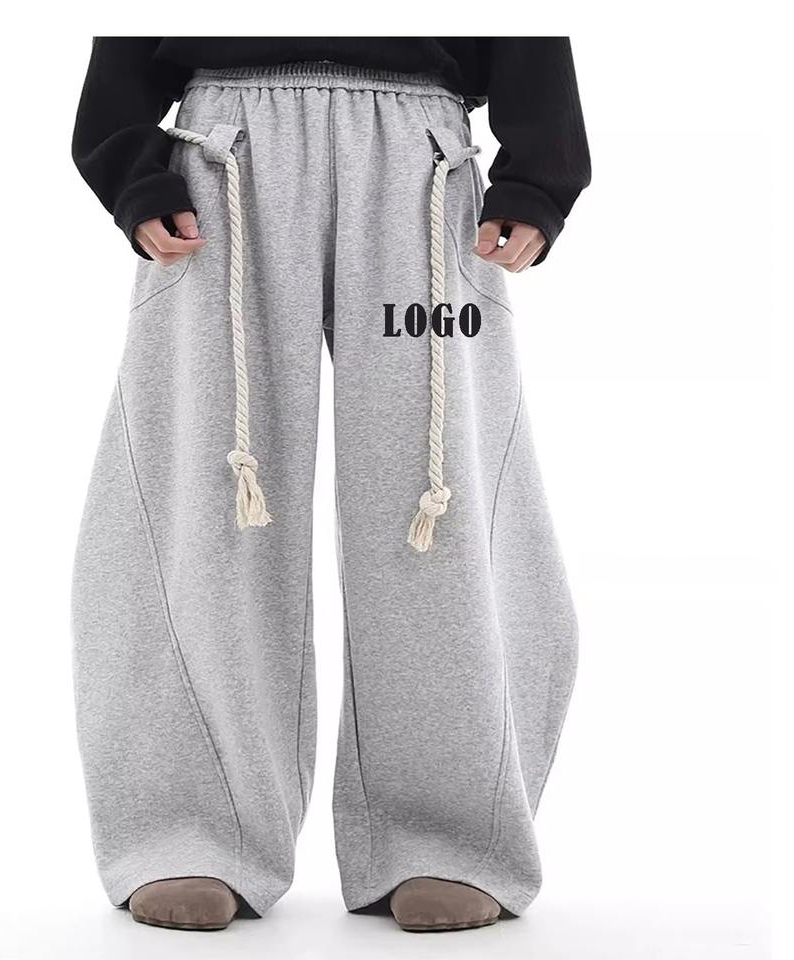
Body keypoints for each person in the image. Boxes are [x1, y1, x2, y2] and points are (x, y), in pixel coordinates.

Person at [71, 37, 590, 933]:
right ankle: (190, 826)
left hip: (423, 171)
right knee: (206, 491)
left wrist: (541, 171)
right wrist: (129, 160)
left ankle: (448, 833)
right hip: (222, 165)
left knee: (440, 494)